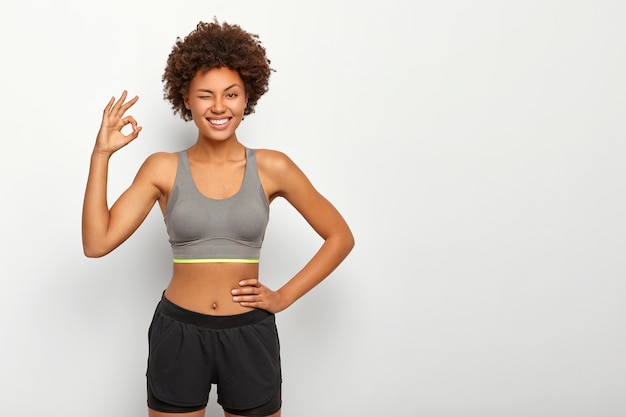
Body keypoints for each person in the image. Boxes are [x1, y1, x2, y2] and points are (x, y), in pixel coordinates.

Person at [81, 19, 354, 417]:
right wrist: (101, 155)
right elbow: (96, 243)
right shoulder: (161, 168)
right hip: (178, 334)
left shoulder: (273, 167)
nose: (220, 106)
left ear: (248, 98)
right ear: (186, 100)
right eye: (205, 95)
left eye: (231, 94)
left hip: (250, 334)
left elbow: (339, 237)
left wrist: (283, 296)